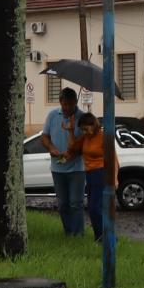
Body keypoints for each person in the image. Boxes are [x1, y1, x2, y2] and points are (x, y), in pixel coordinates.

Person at [42, 85, 86, 235]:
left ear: (76, 102)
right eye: (65, 104)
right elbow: (44, 137)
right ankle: (68, 232)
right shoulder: (53, 115)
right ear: (60, 102)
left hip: (77, 169)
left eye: (71, 104)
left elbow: (84, 144)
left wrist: (72, 152)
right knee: (62, 204)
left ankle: (78, 234)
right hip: (57, 168)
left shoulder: (82, 117)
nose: (67, 107)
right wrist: (51, 148)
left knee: (76, 203)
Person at [74, 112, 113, 242]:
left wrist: (115, 178)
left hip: (100, 172)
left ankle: (106, 236)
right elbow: (72, 148)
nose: (84, 132)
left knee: (95, 208)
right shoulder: (86, 138)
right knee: (92, 208)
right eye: (82, 130)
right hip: (89, 174)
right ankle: (100, 236)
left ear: (93, 124)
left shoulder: (103, 136)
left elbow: (113, 158)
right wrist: (70, 131)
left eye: (86, 128)